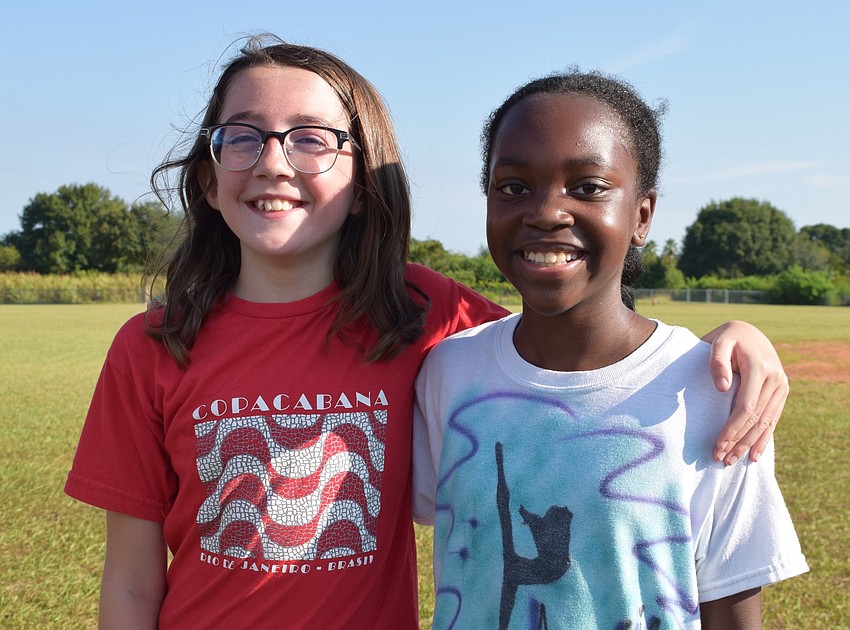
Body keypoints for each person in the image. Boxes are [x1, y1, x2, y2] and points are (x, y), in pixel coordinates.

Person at [65, 36, 789, 629]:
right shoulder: (153, 345)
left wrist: (731, 340)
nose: (273, 162)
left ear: (362, 184)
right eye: (243, 137)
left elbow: (569, 342)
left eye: (311, 139)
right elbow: (130, 583)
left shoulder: (418, 309)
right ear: (207, 176)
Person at [412, 70, 808, 629]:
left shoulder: (719, 394)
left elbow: (732, 608)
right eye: (514, 187)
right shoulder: (450, 371)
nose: (546, 211)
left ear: (642, 215)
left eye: (588, 187)